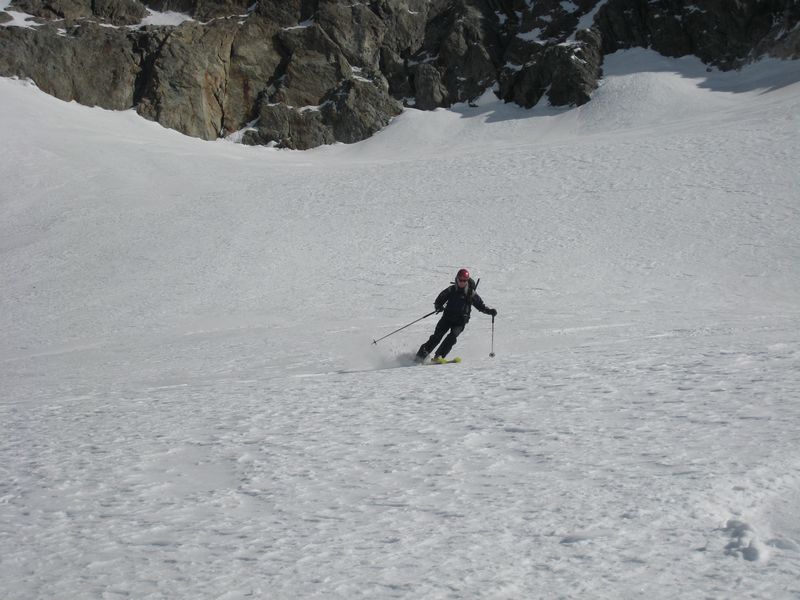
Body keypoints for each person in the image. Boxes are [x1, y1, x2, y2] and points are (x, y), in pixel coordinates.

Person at [416, 268, 497, 362]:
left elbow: (480, 306)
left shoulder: (471, 293)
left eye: (464, 280)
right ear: (457, 279)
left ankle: (438, 357)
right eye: (460, 280)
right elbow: (439, 299)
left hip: (460, 321)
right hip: (446, 318)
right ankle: (420, 357)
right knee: (436, 337)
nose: (462, 282)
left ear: (467, 280)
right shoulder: (451, 289)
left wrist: (490, 311)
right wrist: (438, 306)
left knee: (452, 337)